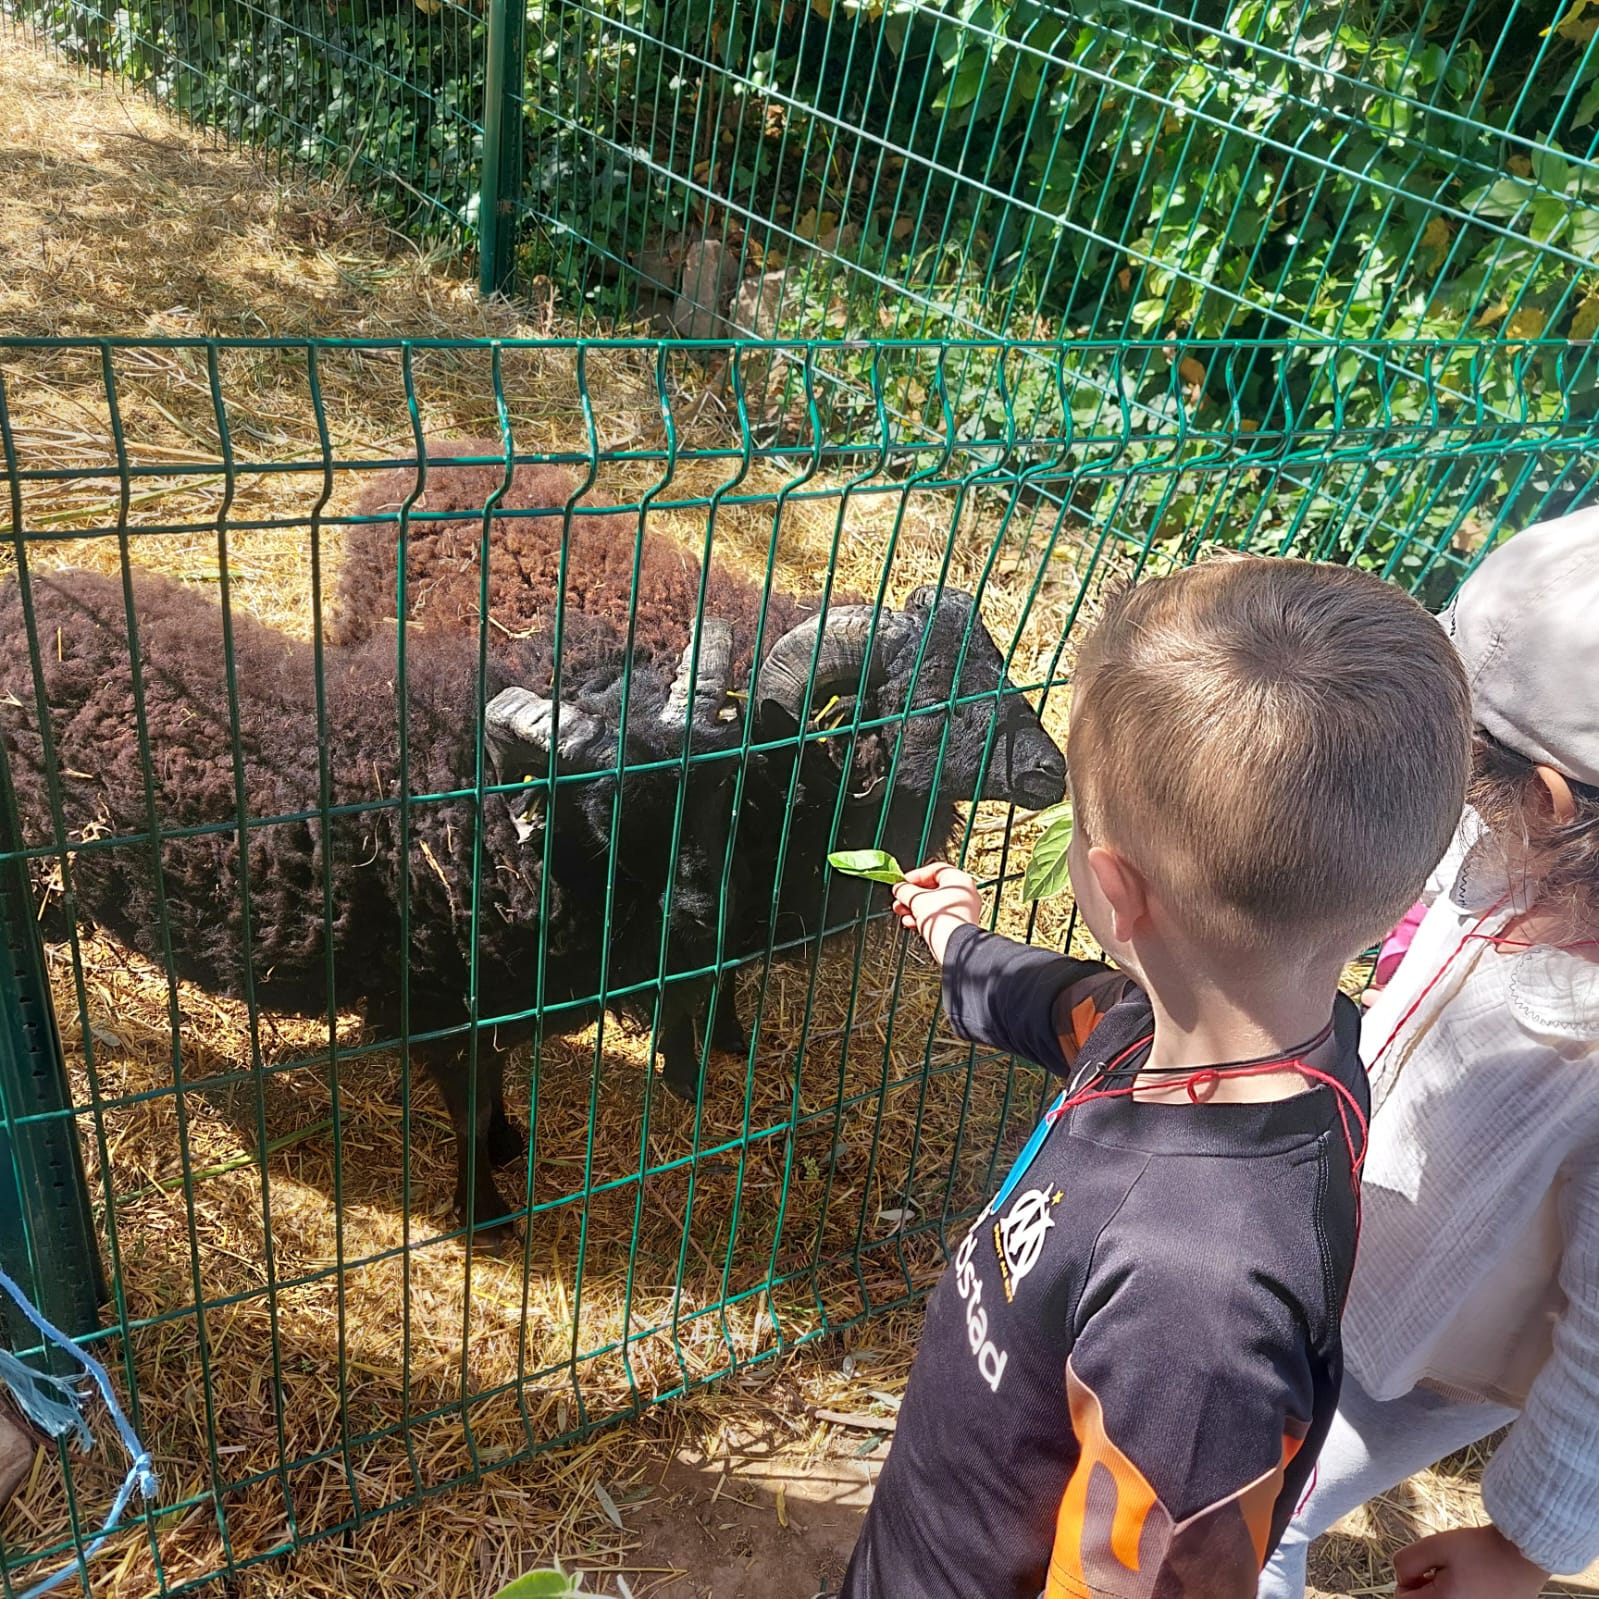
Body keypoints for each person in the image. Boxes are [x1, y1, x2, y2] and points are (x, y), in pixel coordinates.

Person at [837, 556, 1473, 1599]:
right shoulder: (1222, 1037)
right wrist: (955, 938)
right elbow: (1058, 1005)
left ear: (1112, 887)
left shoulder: (1199, 1310)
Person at [1259, 511, 1599, 1599]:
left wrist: (1525, 1545)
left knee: (1260, 1519)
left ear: (1544, 800)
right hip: (1359, 1262)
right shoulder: (1536, 855)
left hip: (1436, 1344)